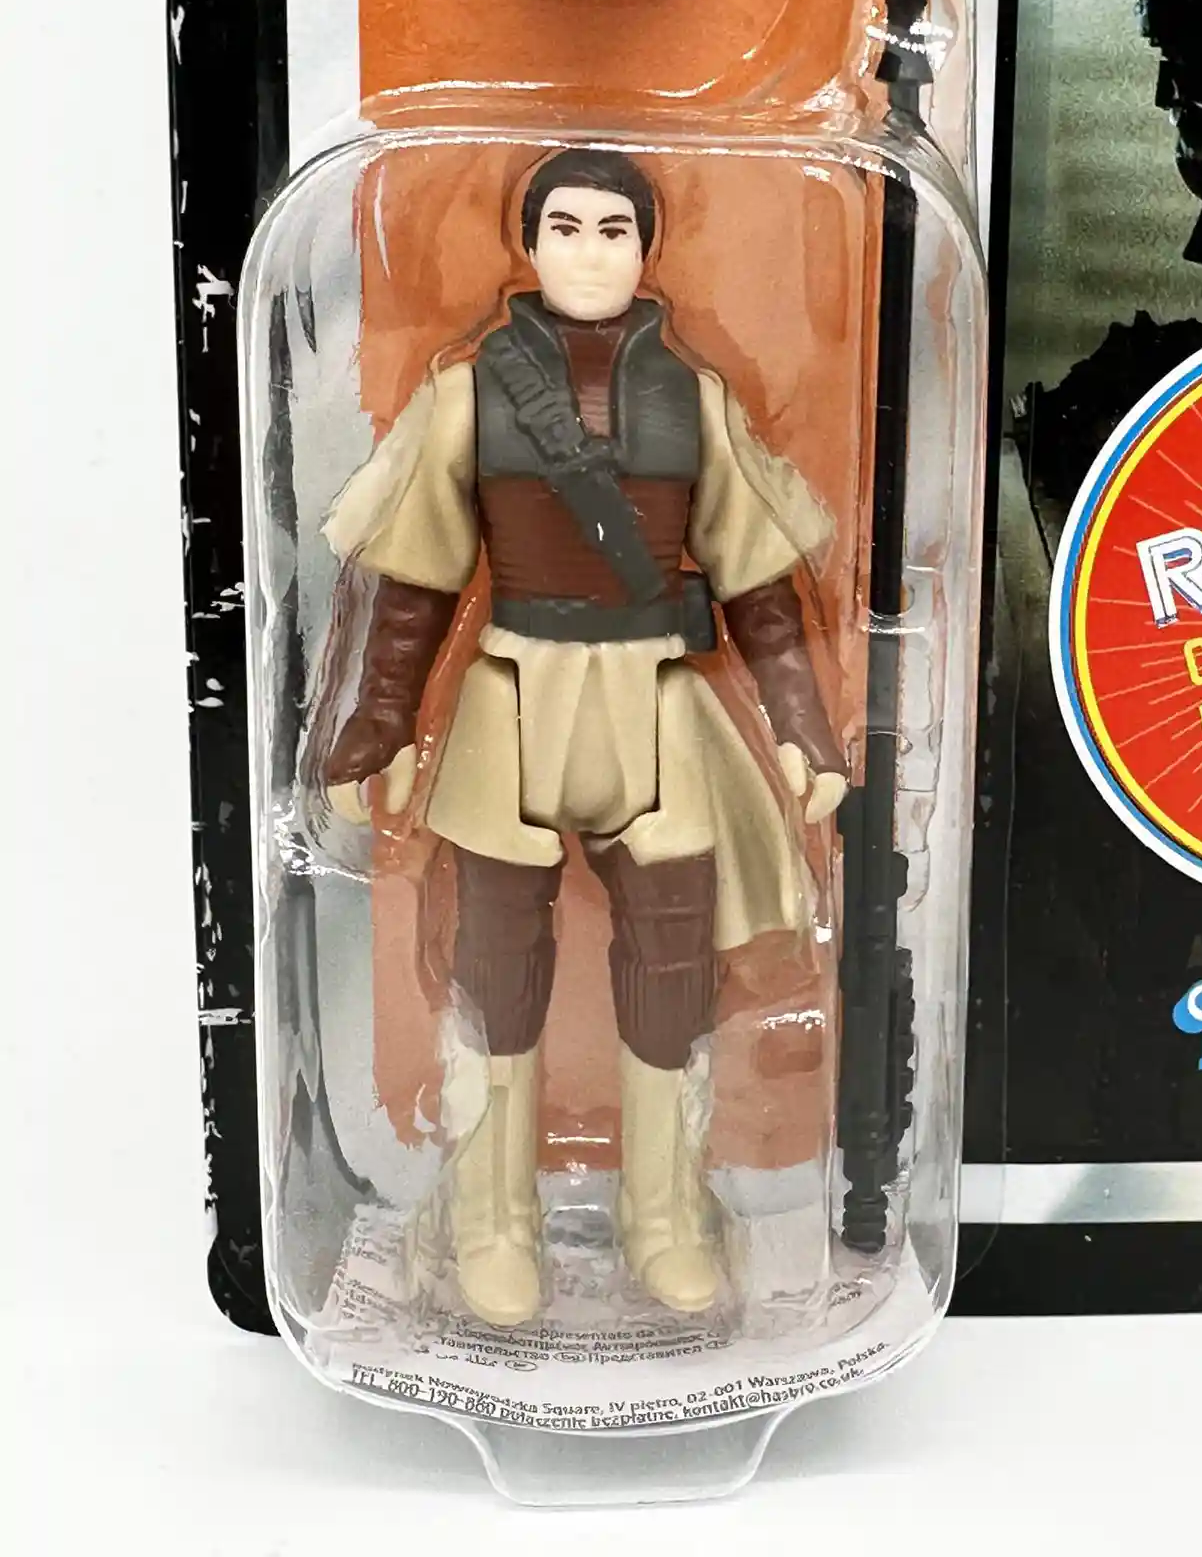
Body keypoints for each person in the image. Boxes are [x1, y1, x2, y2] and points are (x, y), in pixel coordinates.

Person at [321, 148, 846, 1325]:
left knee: (674, 956)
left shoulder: (694, 400)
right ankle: (488, 1217)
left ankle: (665, 1214)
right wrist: (380, 721)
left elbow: (759, 580)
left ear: (649, 248)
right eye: (566, 227)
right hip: (515, 692)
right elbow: (414, 581)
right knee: (496, 959)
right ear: (530, 241)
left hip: (655, 700)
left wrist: (804, 724)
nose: (592, 252)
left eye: (616, 230)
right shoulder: (469, 395)